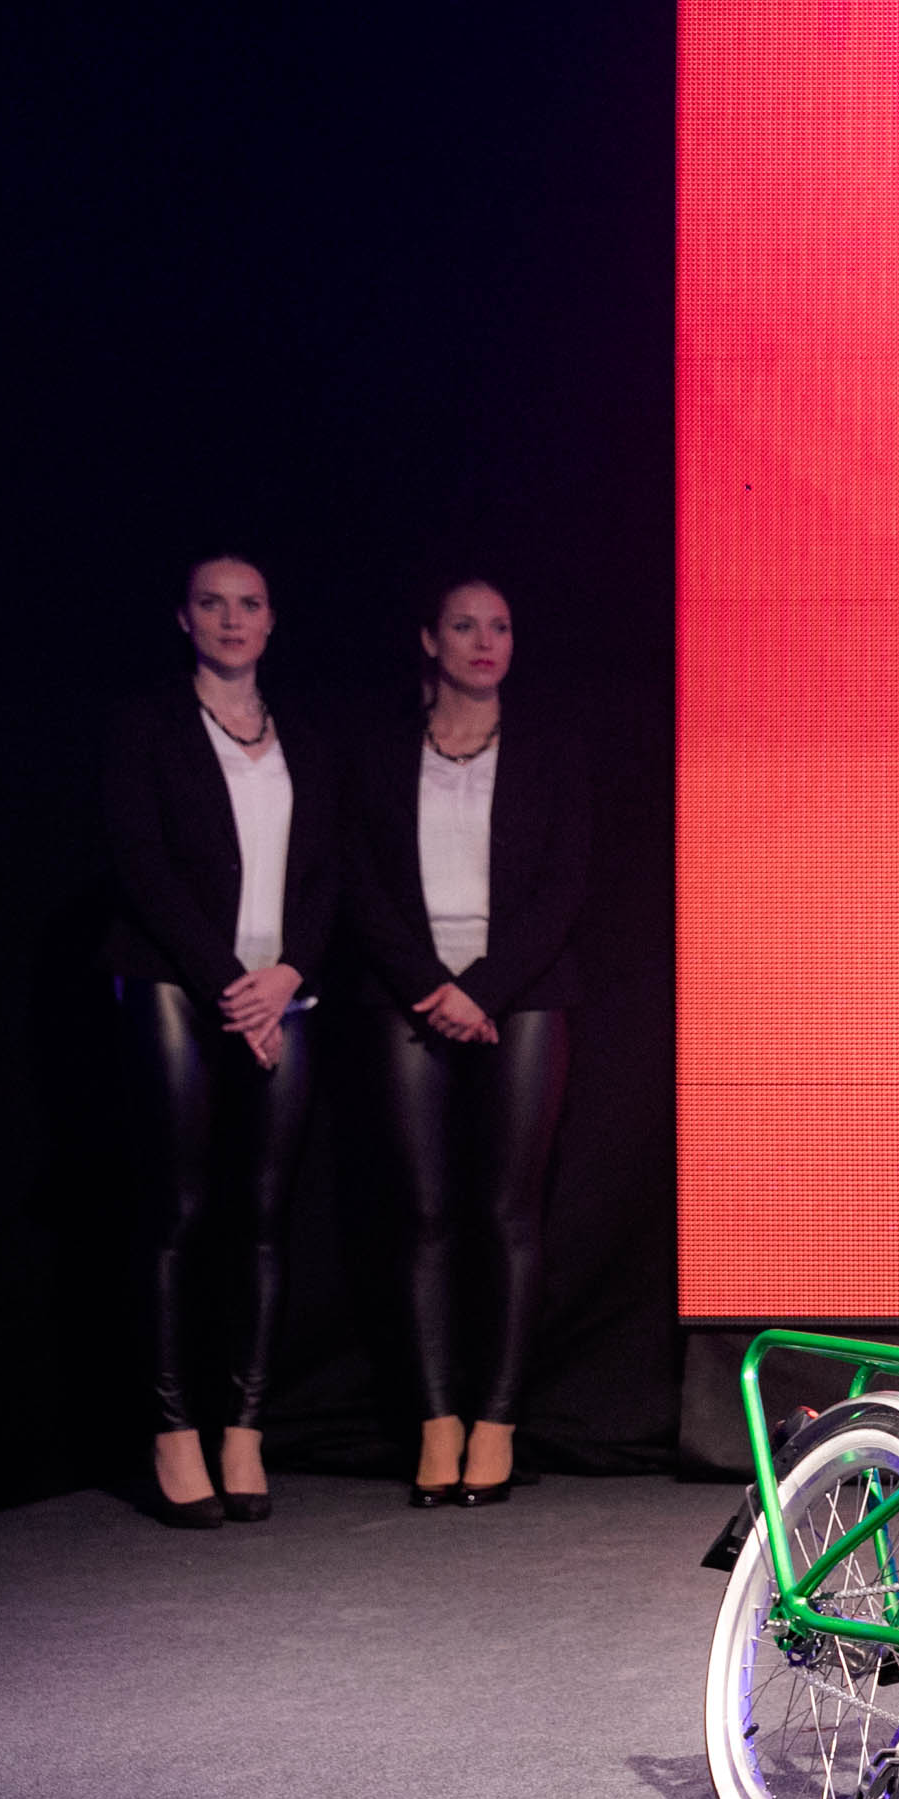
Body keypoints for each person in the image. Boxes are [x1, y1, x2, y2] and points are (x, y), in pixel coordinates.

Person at [102, 554, 336, 1528]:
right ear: (184, 618)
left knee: (263, 1213)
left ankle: (244, 1426)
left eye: (248, 605)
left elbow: (328, 871)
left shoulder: (305, 736)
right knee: (179, 1206)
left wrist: (286, 974)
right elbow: (141, 867)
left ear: (272, 621)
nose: (232, 620)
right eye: (213, 604)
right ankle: (172, 1428)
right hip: (176, 981)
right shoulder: (146, 726)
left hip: (282, 991)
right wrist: (233, 989)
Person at [346, 578, 587, 1507]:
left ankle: (496, 1421)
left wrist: (480, 990)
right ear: (429, 639)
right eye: (464, 625)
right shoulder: (381, 750)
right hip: (407, 990)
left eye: (500, 626)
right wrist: (431, 988)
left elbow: (563, 887)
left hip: (520, 993)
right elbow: (360, 881)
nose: (485, 641)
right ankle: (436, 1422)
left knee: (508, 1212)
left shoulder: (549, 749)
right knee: (422, 1214)